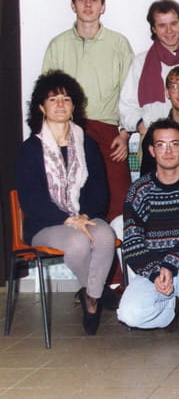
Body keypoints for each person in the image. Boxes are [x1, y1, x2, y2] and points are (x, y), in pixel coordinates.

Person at [16, 71, 116, 335]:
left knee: (105, 236)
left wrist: (84, 215)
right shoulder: (30, 149)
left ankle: (91, 295)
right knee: (78, 242)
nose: (60, 104)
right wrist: (67, 219)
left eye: (66, 99)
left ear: (74, 107)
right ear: (41, 107)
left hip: (83, 216)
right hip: (46, 223)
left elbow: (98, 188)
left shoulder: (87, 143)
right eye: (53, 99)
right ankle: (96, 295)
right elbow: (30, 198)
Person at [117, 120, 179, 351]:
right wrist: (156, 274)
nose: (168, 151)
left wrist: (170, 265)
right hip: (157, 272)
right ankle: (170, 309)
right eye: (161, 145)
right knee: (128, 315)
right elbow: (132, 241)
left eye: (174, 144)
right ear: (151, 151)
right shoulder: (138, 189)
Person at [42, 0, 134, 221]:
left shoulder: (118, 44)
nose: (88, 5)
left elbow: (130, 95)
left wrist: (124, 135)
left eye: (94, 0)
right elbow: (46, 95)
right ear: (73, 5)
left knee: (119, 202)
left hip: (108, 132)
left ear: (103, 6)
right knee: (73, 201)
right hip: (66, 131)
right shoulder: (58, 45)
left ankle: (116, 247)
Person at [119, 0, 179, 136]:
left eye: (173, 24)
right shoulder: (140, 62)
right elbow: (127, 106)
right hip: (154, 138)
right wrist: (141, 126)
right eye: (162, 25)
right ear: (153, 29)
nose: (169, 30)